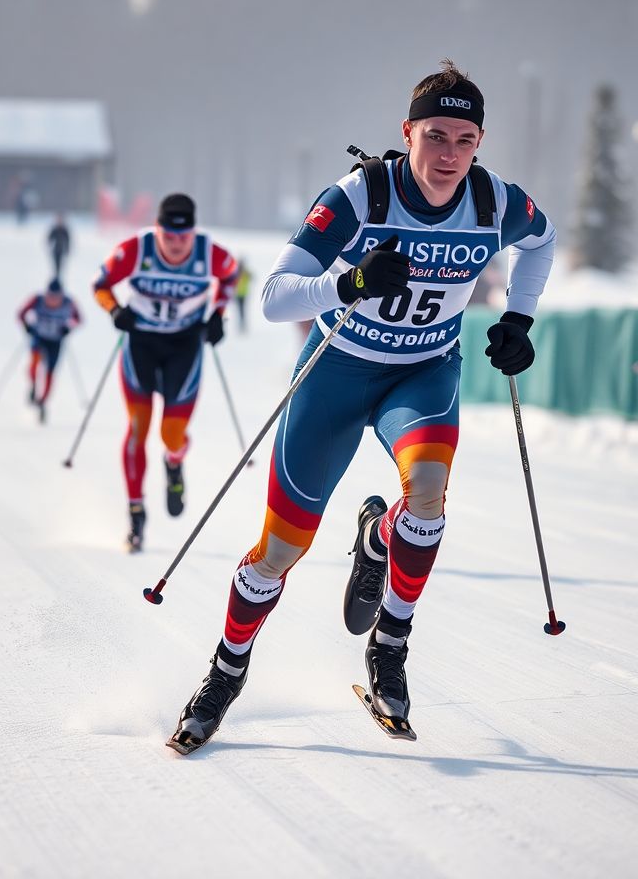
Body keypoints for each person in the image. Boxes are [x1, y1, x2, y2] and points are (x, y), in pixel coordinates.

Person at [167, 60, 557, 754]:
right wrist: (346, 282)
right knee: (279, 551)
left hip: (424, 375)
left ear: (480, 142)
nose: (447, 155)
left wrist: (520, 319)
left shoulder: (498, 203)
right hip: (337, 376)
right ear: (407, 132)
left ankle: (390, 645)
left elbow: (542, 240)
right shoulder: (360, 196)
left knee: (430, 494)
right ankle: (226, 671)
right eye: (434, 135)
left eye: (464, 140)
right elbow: (276, 295)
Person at [93, 193, 239, 551]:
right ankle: (136, 514)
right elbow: (100, 285)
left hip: (183, 347)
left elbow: (232, 277)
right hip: (141, 344)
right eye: (168, 238)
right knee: (138, 430)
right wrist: (115, 311)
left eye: (183, 238)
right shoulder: (136, 249)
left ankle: (174, 464)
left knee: (171, 434)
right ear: (157, 231)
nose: (175, 246)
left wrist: (218, 316)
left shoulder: (211, 254)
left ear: (193, 233)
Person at [18, 278, 82, 424]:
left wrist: (68, 328)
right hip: (39, 337)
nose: (53, 301)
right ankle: (33, 385)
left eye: (56, 297)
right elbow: (21, 313)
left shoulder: (69, 303)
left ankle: (42, 402)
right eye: (50, 297)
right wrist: (27, 326)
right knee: (34, 361)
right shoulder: (37, 300)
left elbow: (79, 319)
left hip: (55, 341)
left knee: (50, 372)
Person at [234, 259, 253, 332]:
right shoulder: (237, 272)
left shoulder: (244, 272)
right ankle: (241, 325)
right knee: (240, 310)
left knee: (242, 310)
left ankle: (243, 325)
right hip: (238, 294)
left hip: (243, 294)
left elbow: (252, 277)